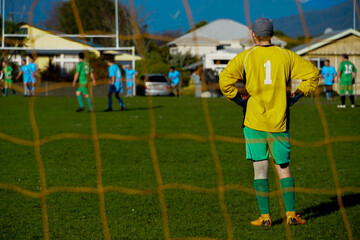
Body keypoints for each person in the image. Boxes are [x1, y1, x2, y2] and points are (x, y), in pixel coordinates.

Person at [219, 17, 319, 227]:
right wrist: (296, 95)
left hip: (253, 122)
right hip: (279, 122)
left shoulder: (246, 56)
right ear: (272, 34)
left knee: (260, 168)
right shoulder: (287, 55)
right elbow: (312, 74)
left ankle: (265, 217)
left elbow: (224, 79)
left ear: (253, 35)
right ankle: (291, 214)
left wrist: (238, 99)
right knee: (283, 168)